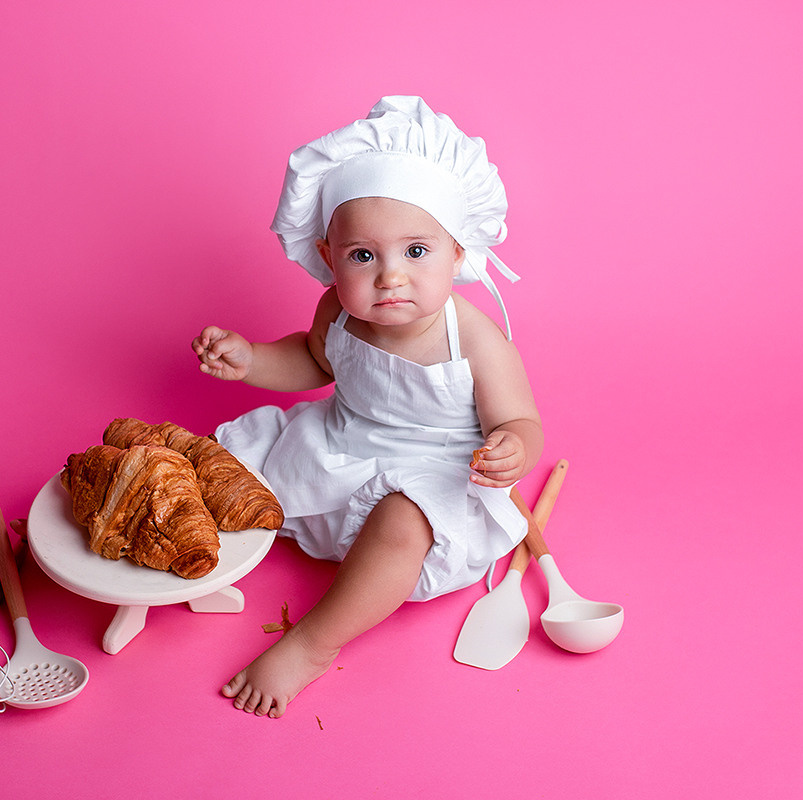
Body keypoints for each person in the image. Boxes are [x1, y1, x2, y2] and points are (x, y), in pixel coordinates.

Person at [192, 96, 542, 718]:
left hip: (438, 471)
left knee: (403, 527)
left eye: (416, 252)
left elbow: (520, 420)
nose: (390, 278)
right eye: (363, 256)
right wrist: (251, 361)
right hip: (342, 441)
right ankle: (139, 547)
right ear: (329, 256)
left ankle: (311, 645)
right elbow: (315, 361)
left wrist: (513, 446)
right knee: (219, 466)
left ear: (457, 252)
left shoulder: (475, 338)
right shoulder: (337, 311)